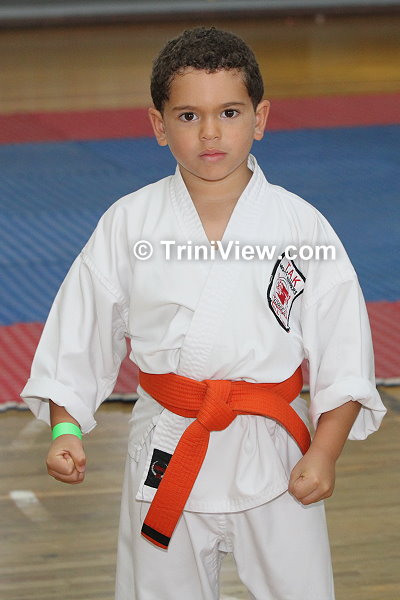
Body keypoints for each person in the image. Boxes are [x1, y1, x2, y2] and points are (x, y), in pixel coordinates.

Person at [21, 26, 386, 600]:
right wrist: (65, 427)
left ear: (261, 118)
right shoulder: (129, 223)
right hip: (167, 442)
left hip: (274, 450)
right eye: (188, 116)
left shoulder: (300, 225)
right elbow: (80, 332)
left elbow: (344, 351)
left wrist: (325, 451)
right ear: (158, 125)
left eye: (230, 113)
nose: (210, 132)